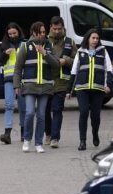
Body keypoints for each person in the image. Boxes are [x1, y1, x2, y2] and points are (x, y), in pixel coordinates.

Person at [13, 21, 59, 153]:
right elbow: (18, 67)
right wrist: (17, 85)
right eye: (41, 32)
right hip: (29, 86)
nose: (43, 34)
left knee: (41, 115)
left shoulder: (49, 46)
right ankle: (27, 139)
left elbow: (56, 64)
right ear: (34, 33)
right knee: (29, 113)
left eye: (44, 32)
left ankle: (39, 143)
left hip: (46, 86)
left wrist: (45, 53)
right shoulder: (26, 46)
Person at [68, 28, 113, 151]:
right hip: (82, 88)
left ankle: (95, 133)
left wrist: (107, 84)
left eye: (97, 38)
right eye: (93, 38)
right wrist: (69, 91)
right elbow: (74, 71)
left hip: (98, 89)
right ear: (88, 38)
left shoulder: (103, 51)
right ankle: (82, 141)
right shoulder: (80, 52)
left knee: (95, 116)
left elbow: (109, 69)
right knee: (83, 113)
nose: (95, 40)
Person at [45, 16, 77, 148]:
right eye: (54, 28)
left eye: (59, 28)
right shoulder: (45, 40)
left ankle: (55, 137)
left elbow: (76, 60)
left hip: (61, 81)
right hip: (46, 81)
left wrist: (67, 61)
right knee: (45, 110)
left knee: (57, 109)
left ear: (63, 27)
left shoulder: (69, 41)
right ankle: (48, 133)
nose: (57, 31)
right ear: (50, 27)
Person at [0, 22, 26, 144]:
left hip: (23, 78)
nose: (12, 35)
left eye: (14, 33)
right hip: (9, 78)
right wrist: (5, 53)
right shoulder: (4, 44)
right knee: (9, 105)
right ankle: (7, 133)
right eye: (10, 34)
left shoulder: (25, 44)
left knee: (23, 107)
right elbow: (0, 61)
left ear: (18, 32)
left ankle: (24, 133)